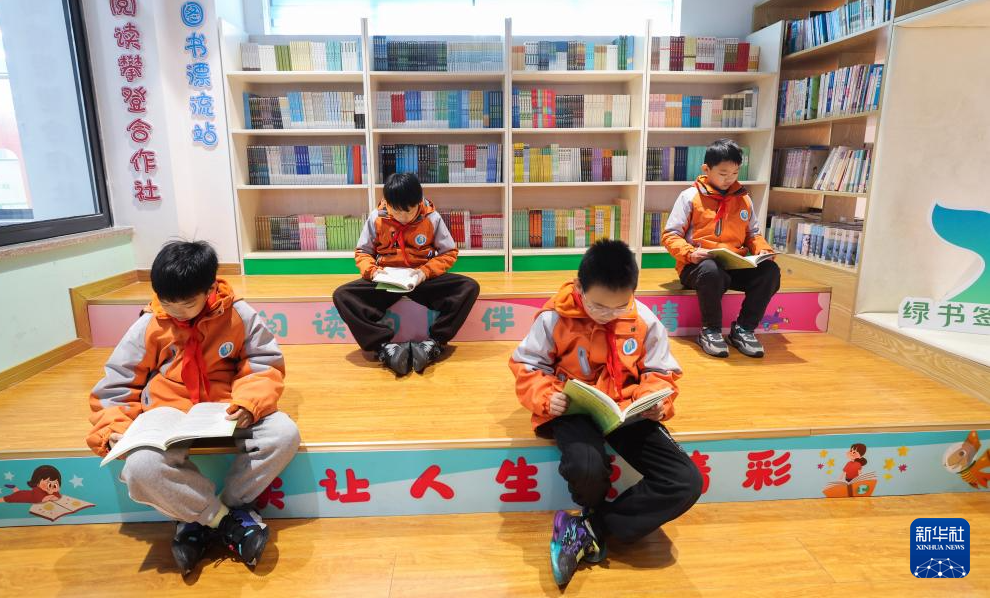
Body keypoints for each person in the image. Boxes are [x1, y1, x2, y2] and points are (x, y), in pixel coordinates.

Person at [86, 240, 300, 575]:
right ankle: (227, 523)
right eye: (167, 303)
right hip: (166, 414)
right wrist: (114, 429)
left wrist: (249, 403)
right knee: (140, 467)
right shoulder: (149, 324)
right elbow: (116, 385)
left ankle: (208, 516)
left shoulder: (239, 315)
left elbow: (263, 365)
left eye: (187, 303)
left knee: (284, 434)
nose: (177, 312)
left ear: (210, 288)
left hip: (227, 408)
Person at [509, 239, 702, 586]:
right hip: (574, 408)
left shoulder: (643, 319)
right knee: (586, 468)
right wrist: (547, 397)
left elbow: (661, 372)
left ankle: (590, 527)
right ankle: (593, 523)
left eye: (619, 306)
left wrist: (657, 401)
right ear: (579, 286)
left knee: (686, 481)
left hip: (626, 409)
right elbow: (528, 365)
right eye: (598, 305)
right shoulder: (555, 317)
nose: (608, 314)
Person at [334, 172, 480, 376]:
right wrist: (373, 272)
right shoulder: (376, 218)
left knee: (469, 287)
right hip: (386, 282)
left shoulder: (432, 217)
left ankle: (433, 343)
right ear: (387, 203)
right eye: (396, 211)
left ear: (418, 202)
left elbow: (448, 252)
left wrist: (424, 272)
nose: (402, 217)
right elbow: (363, 252)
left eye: (408, 212)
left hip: (421, 280)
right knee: (342, 295)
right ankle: (385, 348)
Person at [662, 138, 780, 358]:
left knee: (770, 272)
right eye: (723, 173)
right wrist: (691, 253)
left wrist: (762, 249)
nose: (729, 179)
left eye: (735, 173)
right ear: (706, 169)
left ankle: (743, 329)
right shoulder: (690, 197)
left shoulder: (744, 199)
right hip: (697, 267)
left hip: (734, 265)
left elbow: (753, 234)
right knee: (711, 270)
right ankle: (710, 330)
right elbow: (671, 235)